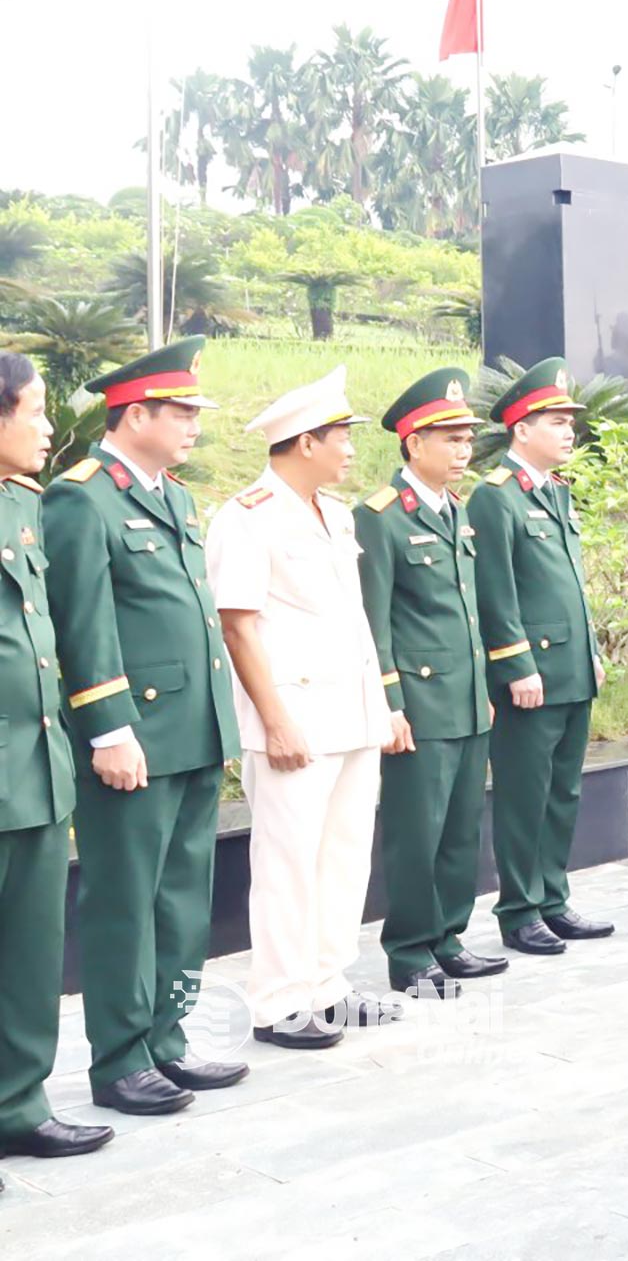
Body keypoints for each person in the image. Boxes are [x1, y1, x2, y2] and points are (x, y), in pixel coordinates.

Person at [45, 339, 245, 1113]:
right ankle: (120, 1060)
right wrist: (107, 730)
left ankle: (167, 1036)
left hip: (193, 730)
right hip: (135, 737)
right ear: (134, 416)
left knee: (181, 897)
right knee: (125, 900)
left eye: (196, 411)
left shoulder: (177, 498)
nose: (194, 425)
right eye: (182, 412)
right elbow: (84, 624)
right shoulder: (82, 497)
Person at [209, 367, 397, 1049]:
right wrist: (275, 719)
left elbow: (349, 621)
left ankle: (326, 983)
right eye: (340, 436)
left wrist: (382, 706)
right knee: (288, 861)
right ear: (302, 442)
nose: (350, 449)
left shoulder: (336, 513)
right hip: (294, 719)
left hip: (351, 712)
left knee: (343, 856)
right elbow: (238, 625)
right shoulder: (247, 516)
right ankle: (279, 1000)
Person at [356, 370, 508, 999]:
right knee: (417, 833)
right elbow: (376, 619)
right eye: (448, 437)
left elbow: (468, 612)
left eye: (467, 437)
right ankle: (410, 950)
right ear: (413, 443)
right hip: (419, 704)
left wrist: (485, 687)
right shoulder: (382, 519)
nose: (462, 448)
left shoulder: (459, 512)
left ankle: (448, 936)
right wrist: (391, 702)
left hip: (466, 698)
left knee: (459, 830)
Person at [0, 353, 115, 1178]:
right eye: (35, 410)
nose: (48, 427)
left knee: (32, 952)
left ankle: (20, 1103)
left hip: (35, 768)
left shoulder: (24, 505)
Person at [468, 357, 615, 955]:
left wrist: (593, 651)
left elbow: (572, 584)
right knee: (524, 794)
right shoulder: (495, 498)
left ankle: (553, 897)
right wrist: (515, 663)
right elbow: (495, 591)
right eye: (555, 420)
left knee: (563, 791)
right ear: (521, 428)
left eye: (569, 422)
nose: (567, 431)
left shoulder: (556, 493)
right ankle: (519, 909)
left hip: (571, 669)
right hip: (531, 677)